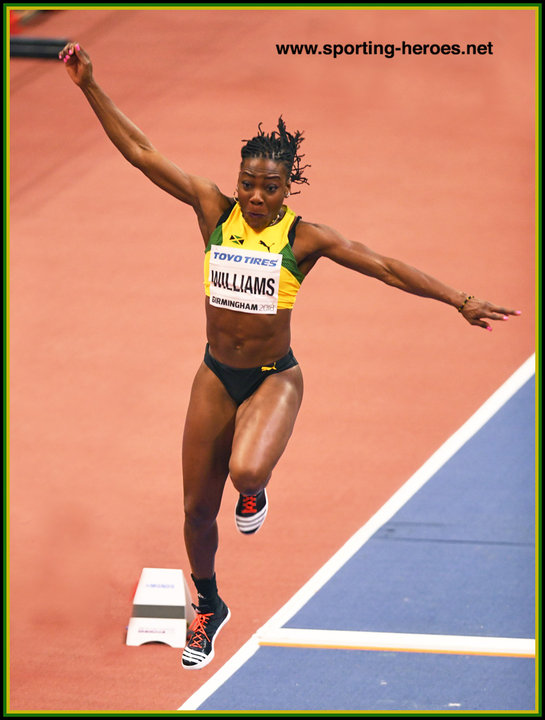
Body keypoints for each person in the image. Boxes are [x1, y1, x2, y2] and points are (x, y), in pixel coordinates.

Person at [59, 42, 521, 670]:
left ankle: (257, 490)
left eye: (267, 187)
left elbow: (384, 265)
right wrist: (90, 86)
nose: (252, 195)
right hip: (215, 375)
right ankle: (209, 605)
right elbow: (140, 152)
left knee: (245, 475)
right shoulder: (211, 208)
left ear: (286, 190)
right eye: (247, 182)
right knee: (196, 511)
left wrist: (457, 298)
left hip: (275, 378)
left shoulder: (305, 239)